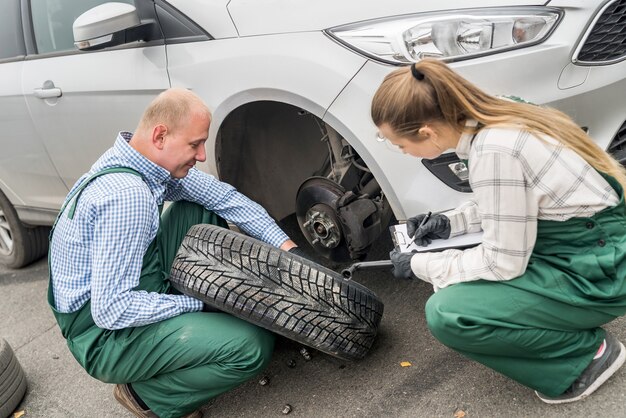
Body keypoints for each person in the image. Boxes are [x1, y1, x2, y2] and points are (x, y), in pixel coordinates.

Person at [372, 59, 626, 404]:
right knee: (460, 277)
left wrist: (420, 265)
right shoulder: (501, 114)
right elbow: (519, 199)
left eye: (398, 145)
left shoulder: (493, 150)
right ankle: (563, 327)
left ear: (427, 132)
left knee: (449, 311)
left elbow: (503, 263)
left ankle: (586, 357)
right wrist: (452, 222)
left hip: (599, 272)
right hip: (596, 246)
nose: (402, 152)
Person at [48, 88, 309, 418]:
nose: (202, 155)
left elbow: (225, 199)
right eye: (195, 144)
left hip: (128, 293)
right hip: (104, 336)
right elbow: (111, 310)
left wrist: (291, 251)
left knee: (198, 210)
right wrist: (203, 303)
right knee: (250, 347)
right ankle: (146, 396)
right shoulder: (127, 197)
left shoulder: (141, 163)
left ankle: (204, 321)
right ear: (160, 135)